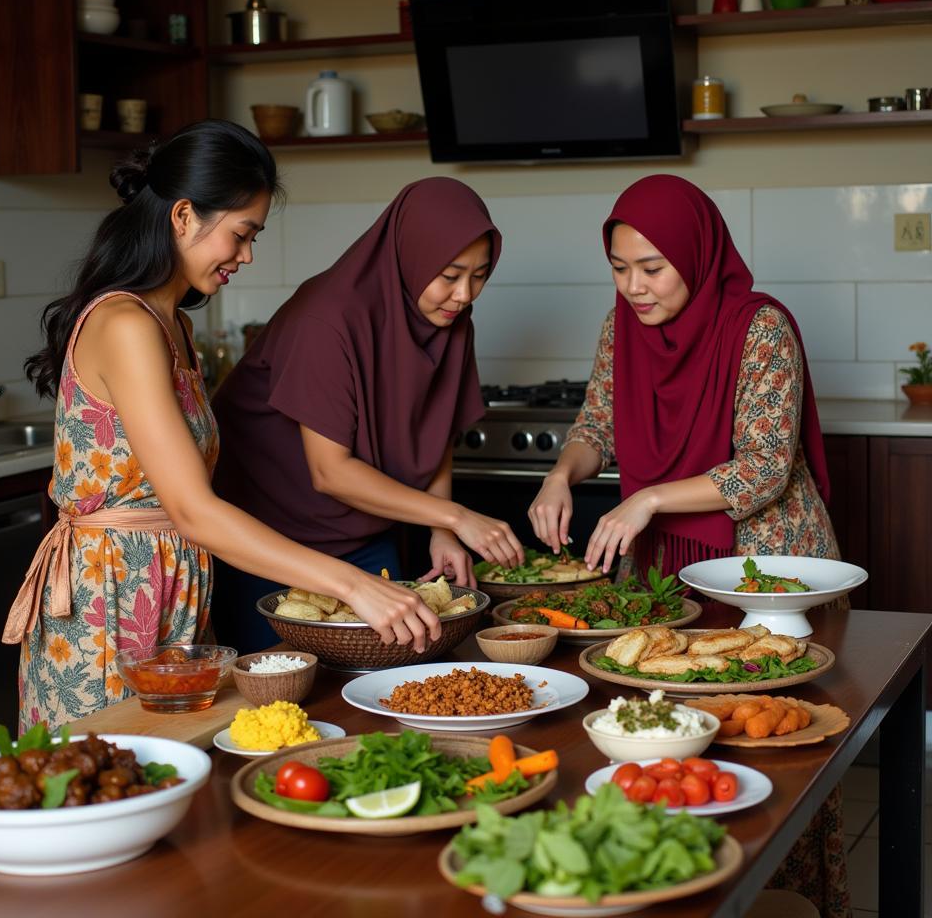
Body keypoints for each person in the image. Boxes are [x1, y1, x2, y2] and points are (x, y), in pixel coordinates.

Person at [4, 120, 441, 732]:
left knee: (176, 780)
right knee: (98, 787)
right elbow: (192, 508)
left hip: (173, 588)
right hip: (110, 600)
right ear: (183, 216)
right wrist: (355, 586)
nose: (246, 254)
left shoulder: (173, 326)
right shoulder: (126, 325)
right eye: (241, 234)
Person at [528, 173, 849, 917]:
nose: (634, 287)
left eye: (652, 268)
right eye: (618, 268)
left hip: (759, 568)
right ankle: (675, 890)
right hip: (665, 571)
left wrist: (649, 497)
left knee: (765, 738)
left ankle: (782, 898)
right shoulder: (621, 328)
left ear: (697, 257)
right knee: (663, 730)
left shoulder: (761, 326)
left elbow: (763, 468)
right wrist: (560, 474)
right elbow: (596, 427)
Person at [210, 177, 524, 652]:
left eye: (479, 275)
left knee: (384, 678)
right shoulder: (326, 318)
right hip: (274, 545)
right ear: (410, 255)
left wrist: (440, 531)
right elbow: (330, 472)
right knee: (278, 696)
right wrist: (457, 517)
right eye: (450, 274)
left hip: (367, 533)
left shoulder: (451, 320)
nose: (464, 295)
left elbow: (436, 431)